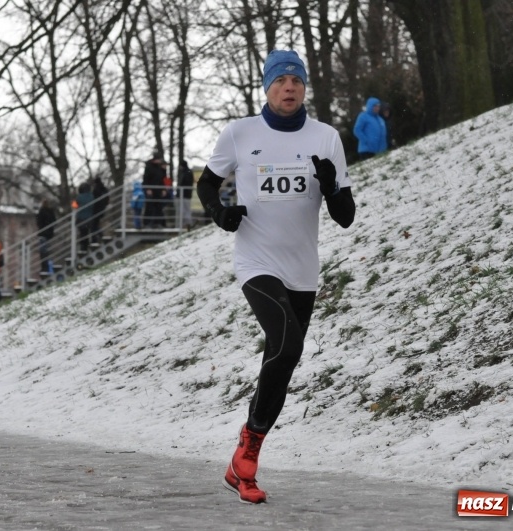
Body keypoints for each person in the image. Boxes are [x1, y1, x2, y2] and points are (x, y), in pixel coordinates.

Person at [197, 49, 355, 504]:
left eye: (297, 81)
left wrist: (330, 186)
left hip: (302, 270)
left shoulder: (325, 138)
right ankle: (247, 453)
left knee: (283, 363)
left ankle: (242, 460)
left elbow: (345, 216)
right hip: (256, 262)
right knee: (287, 342)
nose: (290, 87)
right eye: (281, 80)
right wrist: (220, 214)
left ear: (305, 88)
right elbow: (206, 183)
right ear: (266, 87)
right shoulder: (240, 133)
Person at [352, 96, 388, 161]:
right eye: (375, 106)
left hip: (378, 151)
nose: (377, 108)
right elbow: (357, 130)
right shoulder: (363, 116)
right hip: (366, 150)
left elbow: (383, 135)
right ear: (370, 106)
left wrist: (383, 149)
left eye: (378, 106)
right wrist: (365, 140)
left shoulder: (380, 120)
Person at [142, 152, 167, 227]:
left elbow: (162, 180)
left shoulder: (159, 168)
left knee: (158, 207)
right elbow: (146, 179)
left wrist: (163, 189)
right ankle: (147, 223)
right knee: (149, 207)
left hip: (158, 190)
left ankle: (157, 223)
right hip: (151, 190)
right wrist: (148, 188)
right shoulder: (149, 167)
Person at [36, 198, 57, 274]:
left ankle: (44, 267)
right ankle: (47, 267)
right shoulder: (51, 211)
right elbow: (54, 221)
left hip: (43, 234)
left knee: (43, 251)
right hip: (49, 234)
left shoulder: (41, 211)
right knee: (47, 251)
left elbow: (39, 222)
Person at [75, 181, 94, 252]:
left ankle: (83, 247)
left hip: (81, 218)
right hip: (89, 218)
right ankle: (89, 244)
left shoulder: (79, 197)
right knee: (88, 232)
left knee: (83, 234)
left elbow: (74, 206)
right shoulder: (91, 196)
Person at [90, 177, 110, 244]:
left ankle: (96, 239)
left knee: (93, 225)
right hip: (102, 209)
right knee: (95, 224)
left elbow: (93, 199)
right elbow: (107, 199)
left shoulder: (96, 190)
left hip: (96, 209)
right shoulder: (104, 189)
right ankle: (99, 237)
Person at [177, 160, 194, 229]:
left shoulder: (186, 173)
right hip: (186, 194)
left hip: (185, 194)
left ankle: (187, 224)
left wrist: (179, 192)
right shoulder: (187, 172)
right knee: (185, 210)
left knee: (185, 210)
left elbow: (184, 183)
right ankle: (186, 224)